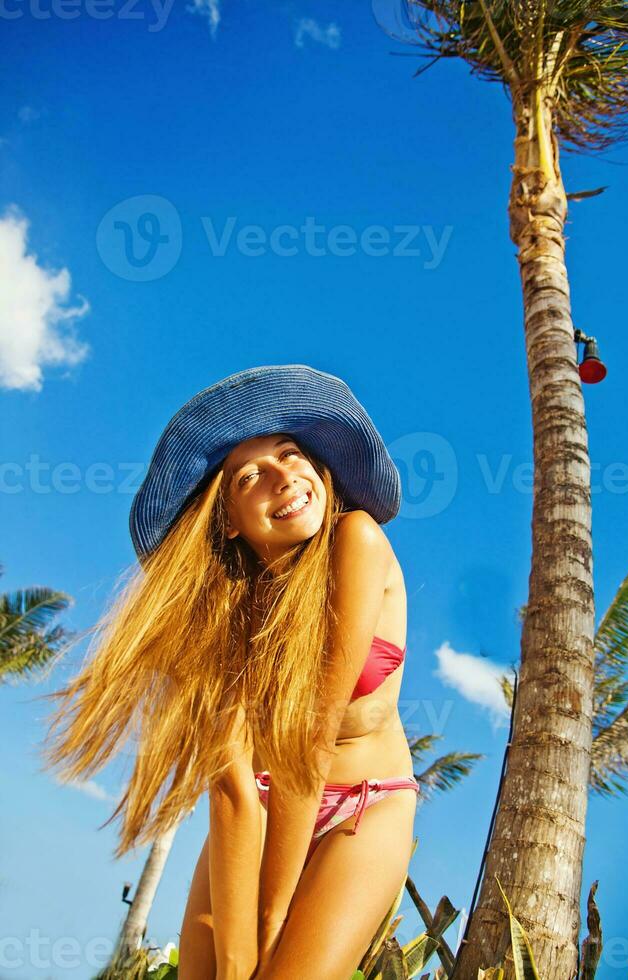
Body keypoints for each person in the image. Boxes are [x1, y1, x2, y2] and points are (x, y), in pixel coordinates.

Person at [39, 364, 419, 980]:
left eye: (291, 454)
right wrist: (241, 958)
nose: (285, 476)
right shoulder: (227, 611)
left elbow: (308, 742)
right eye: (251, 476)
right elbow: (235, 783)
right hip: (260, 811)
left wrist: (271, 928)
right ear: (228, 520)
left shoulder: (358, 539)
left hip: (363, 810)